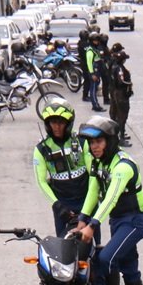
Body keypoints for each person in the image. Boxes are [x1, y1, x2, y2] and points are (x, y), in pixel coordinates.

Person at [73, 116, 143, 285]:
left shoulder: (123, 166)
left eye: (99, 141)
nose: (94, 147)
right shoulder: (98, 162)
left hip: (135, 221)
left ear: (110, 141)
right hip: (118, 221)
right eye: (91, 142)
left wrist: (92, 225)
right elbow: (93, 191)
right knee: (129, 266)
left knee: (106, 257)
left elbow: (111, 198)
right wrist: (82, 219)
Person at [34, 97, 95, 238]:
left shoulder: (82, 142)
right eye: (53, 122)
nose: (56, 127)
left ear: (69, 123)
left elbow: (93, 174)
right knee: (62, 243)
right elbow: (41, 181)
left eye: (61, 122)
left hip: (86, 199)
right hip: (62, 204)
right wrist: (57, 205)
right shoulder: (41, 149)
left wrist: (88, 206)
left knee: (91, 241)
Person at [109, 45, 134, 147]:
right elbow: (121, 81)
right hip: (121, 94)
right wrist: (129, 84)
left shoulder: (114, 66)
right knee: (122, 116)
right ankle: (121, 138)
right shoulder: (119, 69)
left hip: (115, 93)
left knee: (116, 114)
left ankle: (118, 135)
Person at [83, 35, 105, 111]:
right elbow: (89, 63)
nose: (97, 42)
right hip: (94, 72)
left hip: (97, 71)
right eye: (95, 41)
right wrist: (92, 74)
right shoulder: (90, 51)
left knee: (95, 88)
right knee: (93, 89)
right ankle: (95, 106)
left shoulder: (95, 49)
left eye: (97, 40)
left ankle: (95, 104)